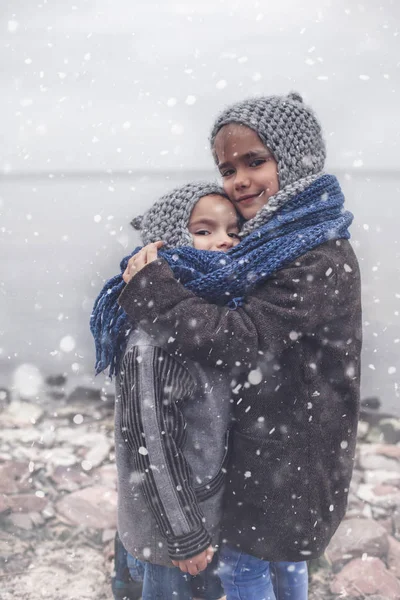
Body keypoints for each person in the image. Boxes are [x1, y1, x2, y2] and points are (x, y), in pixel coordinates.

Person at [117, 92, 362, 600]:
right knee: (282, 567)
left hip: (284, 460)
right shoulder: (281, 238)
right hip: (282, 451)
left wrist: (156, 292)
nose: (239, 180)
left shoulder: (315, 254)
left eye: (255, 161)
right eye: (227, 168)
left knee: (244, 568)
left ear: (295, 161)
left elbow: (245, 342)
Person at [93, 182, 239, 600]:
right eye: (204, 230)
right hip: (172, 530)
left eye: (233, 230)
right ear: (168, 243)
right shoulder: (154, 341)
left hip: (195, 509)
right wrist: (185, 534)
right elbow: (151, 447)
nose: (224, 240)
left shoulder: (208, 317)